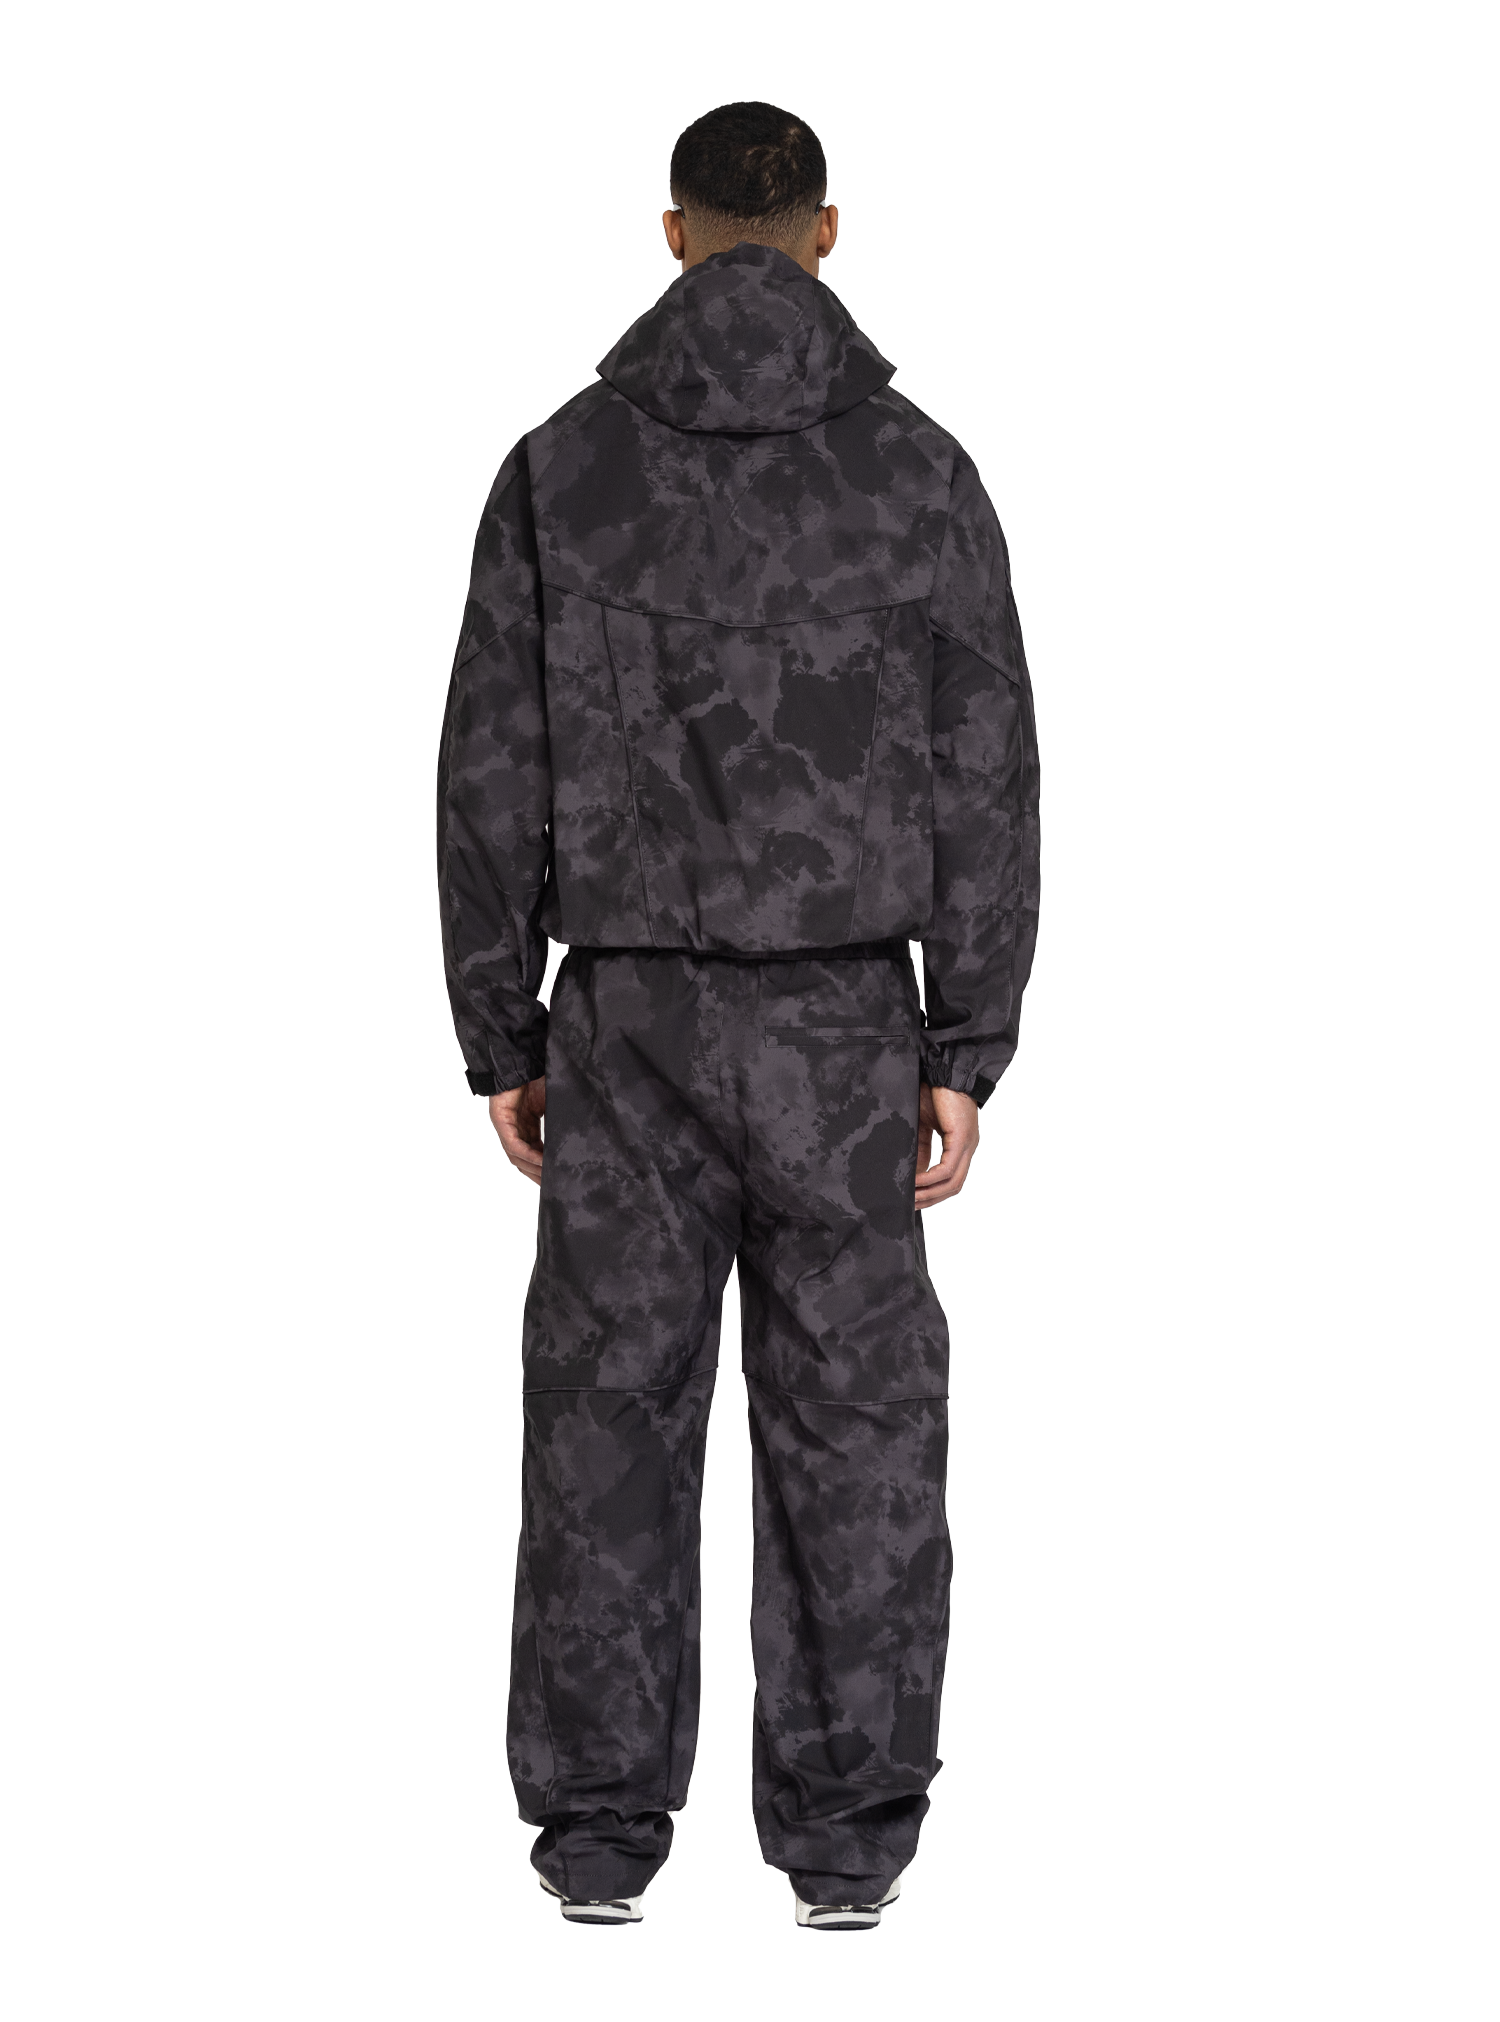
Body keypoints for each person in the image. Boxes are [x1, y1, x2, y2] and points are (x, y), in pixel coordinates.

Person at [437, 100, 1040, 1932]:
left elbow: (489, 770)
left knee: (607, 1436)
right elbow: (988, 770)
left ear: (676, 236)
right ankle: (849, 1858)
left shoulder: (559, 470)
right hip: (848, 1033)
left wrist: (503, 1034)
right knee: (856, 1439)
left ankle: (594, 1847)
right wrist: (968, 1048)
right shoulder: (920, 471)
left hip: (624, 1030)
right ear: (827, 235)